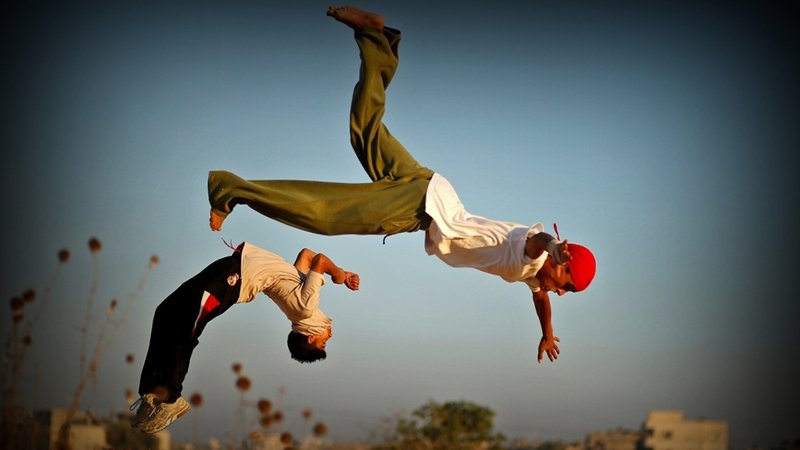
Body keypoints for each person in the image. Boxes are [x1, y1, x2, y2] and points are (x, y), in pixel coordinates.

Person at [207, 6, 595, 364]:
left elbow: (541, 297)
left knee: (364, 132)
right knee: (327, 215)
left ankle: (377, 40)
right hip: (419, 209)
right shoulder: (535, 256)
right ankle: (231, 190)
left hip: (431, 187)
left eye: (566, 293)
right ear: (562, 262)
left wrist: (547, 332)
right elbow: (536, 245)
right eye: (566, 284)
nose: (559, 292)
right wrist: (554, 248)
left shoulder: (534, 277)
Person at [130, 242, 359, 434]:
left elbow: (318, 260)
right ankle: (151, 391)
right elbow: (307, 256)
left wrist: (339, 273)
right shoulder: (299, 304)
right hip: (233, 266)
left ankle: (170, 399)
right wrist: (341, 274)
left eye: (324, 341)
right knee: (166, 312)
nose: (330, 334)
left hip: (235, 279)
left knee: (186, 326)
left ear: (310, 338)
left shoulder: (306, 309)